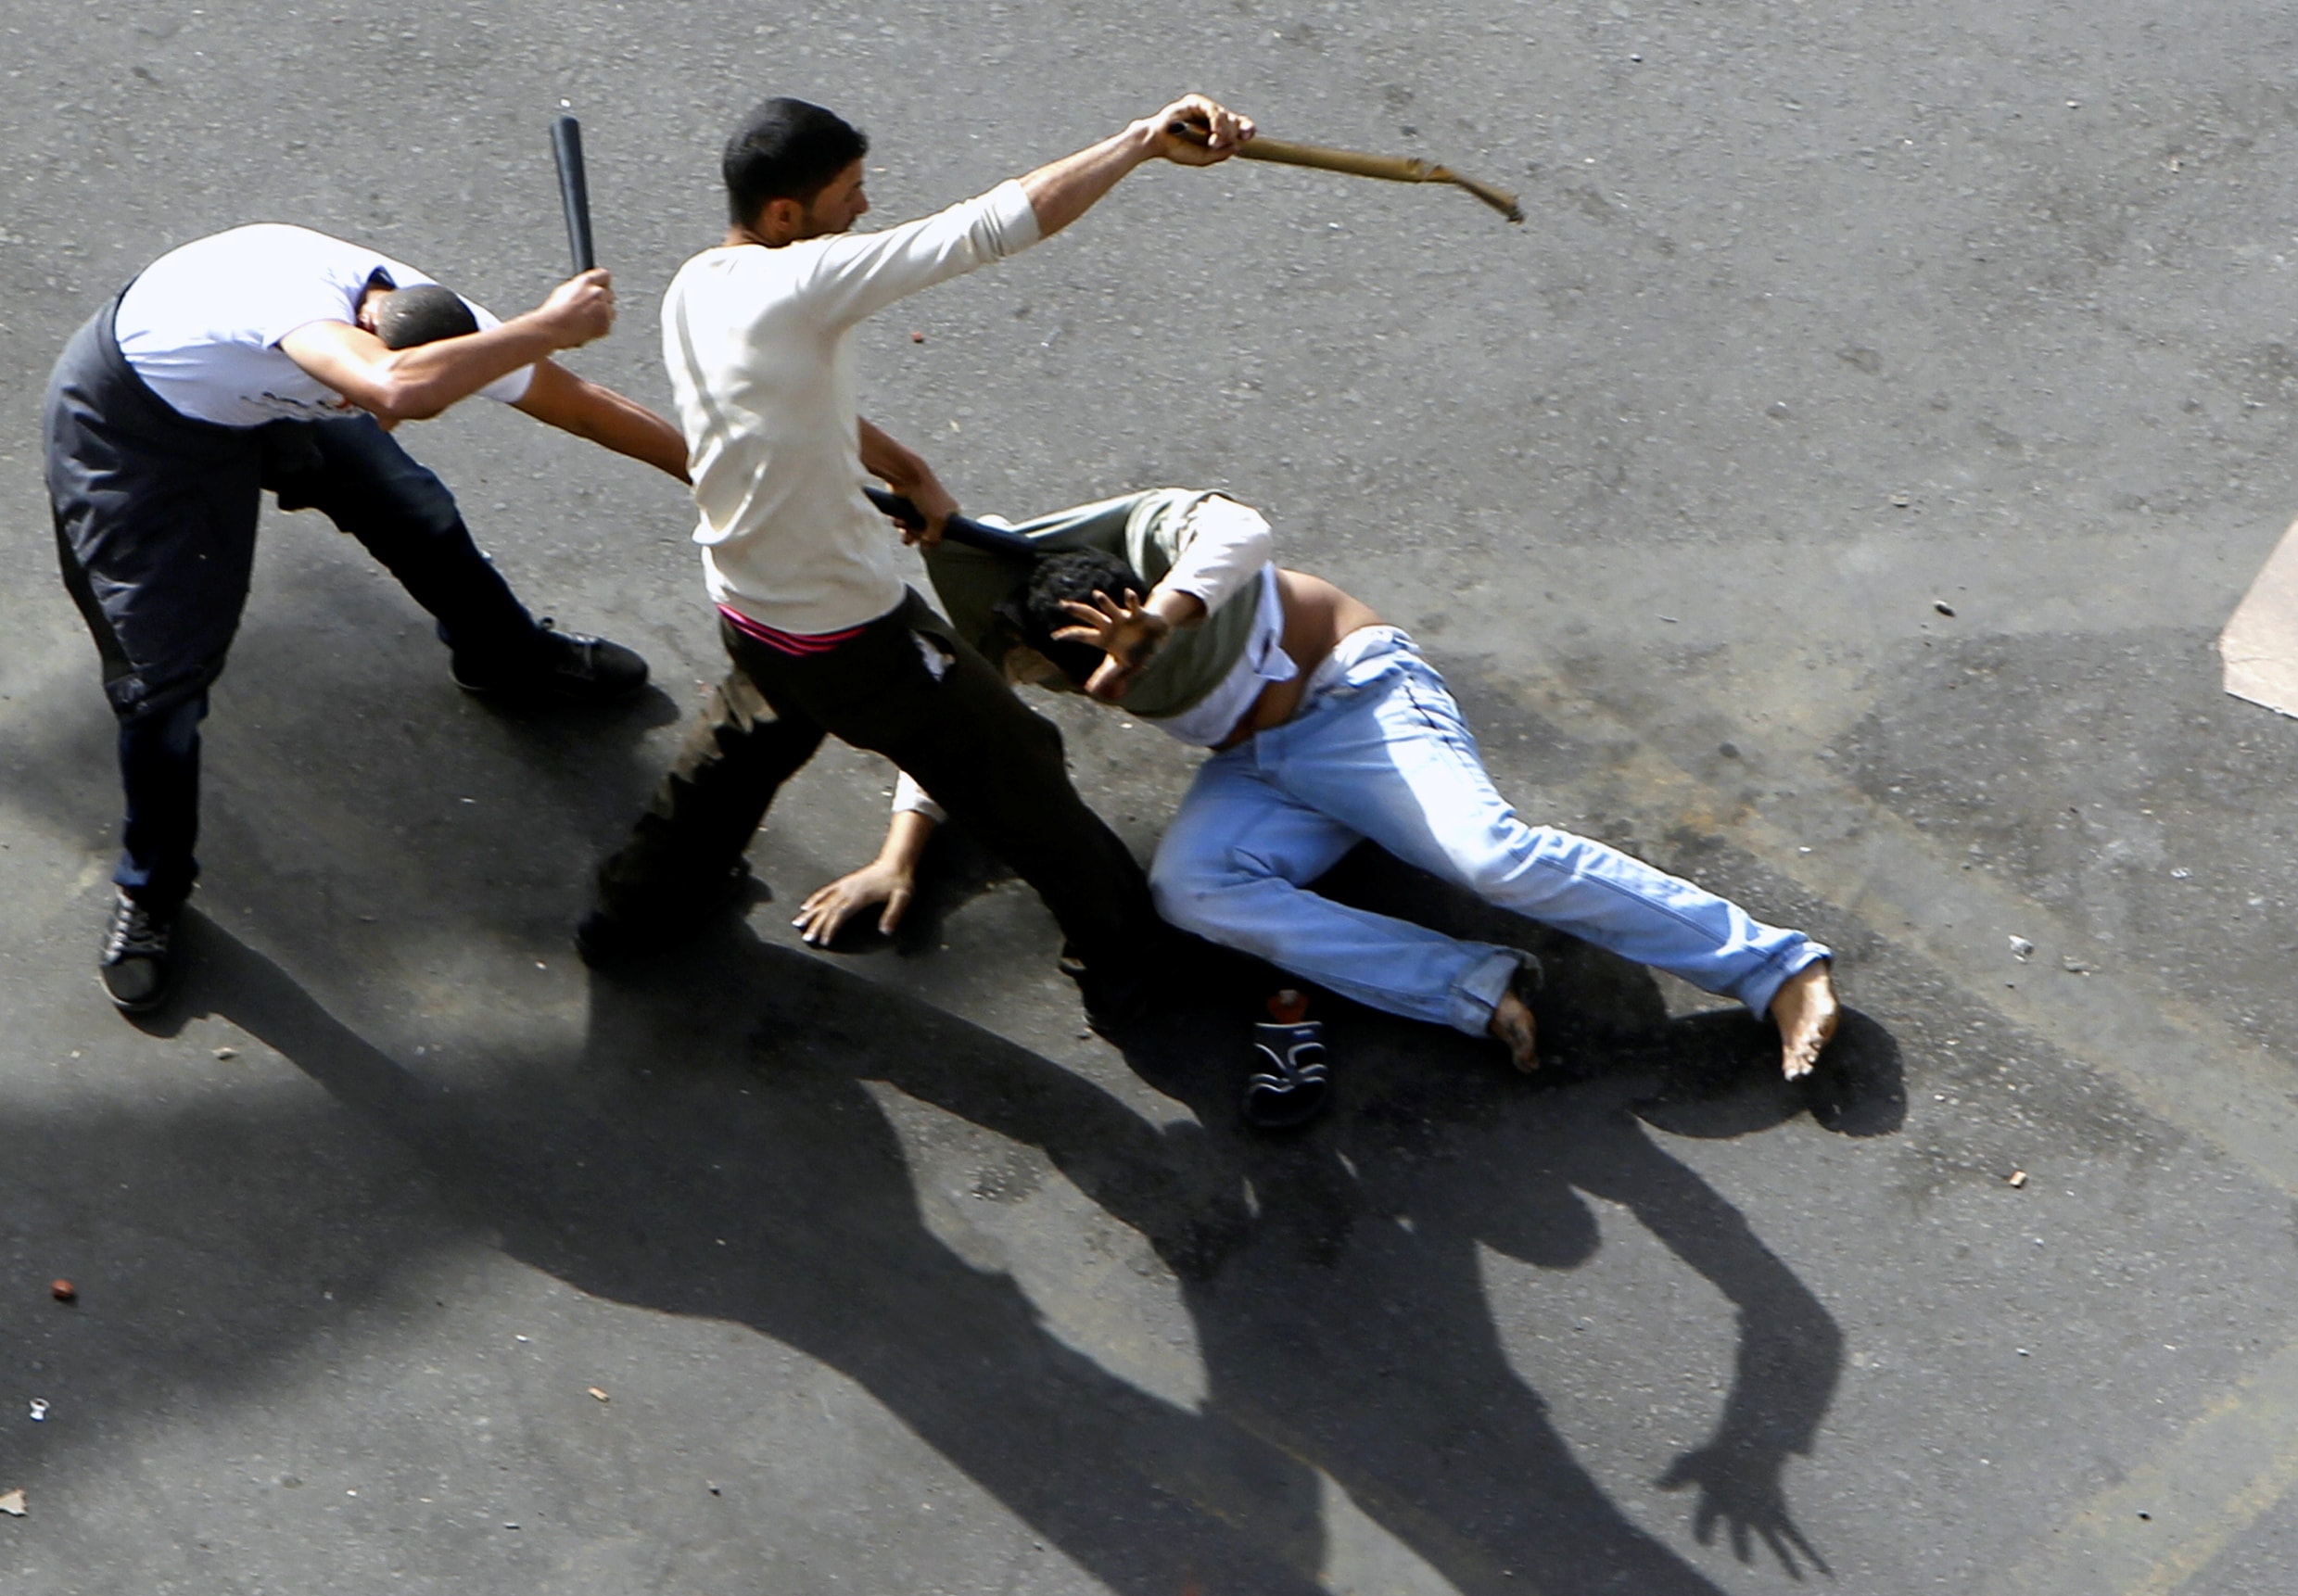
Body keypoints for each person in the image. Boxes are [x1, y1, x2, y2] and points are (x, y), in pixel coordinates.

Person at [795, 488, 1842, 1126]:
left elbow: (1243, 526)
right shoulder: (1028, 622)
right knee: (1191, 890)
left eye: (1101, 666)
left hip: (1360, 708)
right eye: (1066, 675)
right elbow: (951, 735)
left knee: (1487, 858)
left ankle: (1771, 966)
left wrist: (1157, 626)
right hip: (1261, 768)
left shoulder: (1174, 557)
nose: (1090, 689)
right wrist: (899, 855)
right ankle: (1469, 987)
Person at [574, 93, 1252, 1023]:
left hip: (751, 603)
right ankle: (1123, 953)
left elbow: (795, 403)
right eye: (848, 192)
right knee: (1017, 757)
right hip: (849, 629)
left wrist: (906, 468)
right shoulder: (801, 280)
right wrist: (1139, 143)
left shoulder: (700, 282)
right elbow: (998, 222)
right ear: (785, 216)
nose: (863, 205)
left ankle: (634, 908)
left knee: (751, 733)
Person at [45, 222, 690, 1015]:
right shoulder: (300, 314)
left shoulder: (431, 321)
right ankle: (151, 886)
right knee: (161, 682)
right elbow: (392, 392)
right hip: (141, 428)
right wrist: (553, 324)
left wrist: (718, 475)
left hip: (259, 395)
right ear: (362, 336)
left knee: (415, 508)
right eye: (363, 394)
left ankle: (505, 656)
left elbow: (584, 406)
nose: (380, 420)